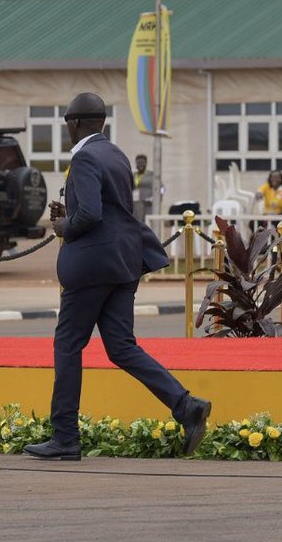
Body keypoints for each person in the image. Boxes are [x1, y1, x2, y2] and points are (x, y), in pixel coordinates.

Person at [25, 93, 211, 460]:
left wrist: (64, 226)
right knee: (122, 347)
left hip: (93, 267)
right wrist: (72, 214)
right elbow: (111, 211)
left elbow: (91, 215)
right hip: (124, 261)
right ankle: (186, 406)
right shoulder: (116, 154)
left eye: (66, 122)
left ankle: (65, 437)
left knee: (67, 344)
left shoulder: (83, 157)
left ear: (75, 123)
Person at [132, 153, 154, 221]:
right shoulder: (133, 175)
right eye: (138, 163)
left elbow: (162, 189)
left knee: (147, 223)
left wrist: (154, 199)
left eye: (142, 162)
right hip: (136, 206)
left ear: (146, 163)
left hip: (148, 206)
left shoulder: (151, 175)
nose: (140, 165)